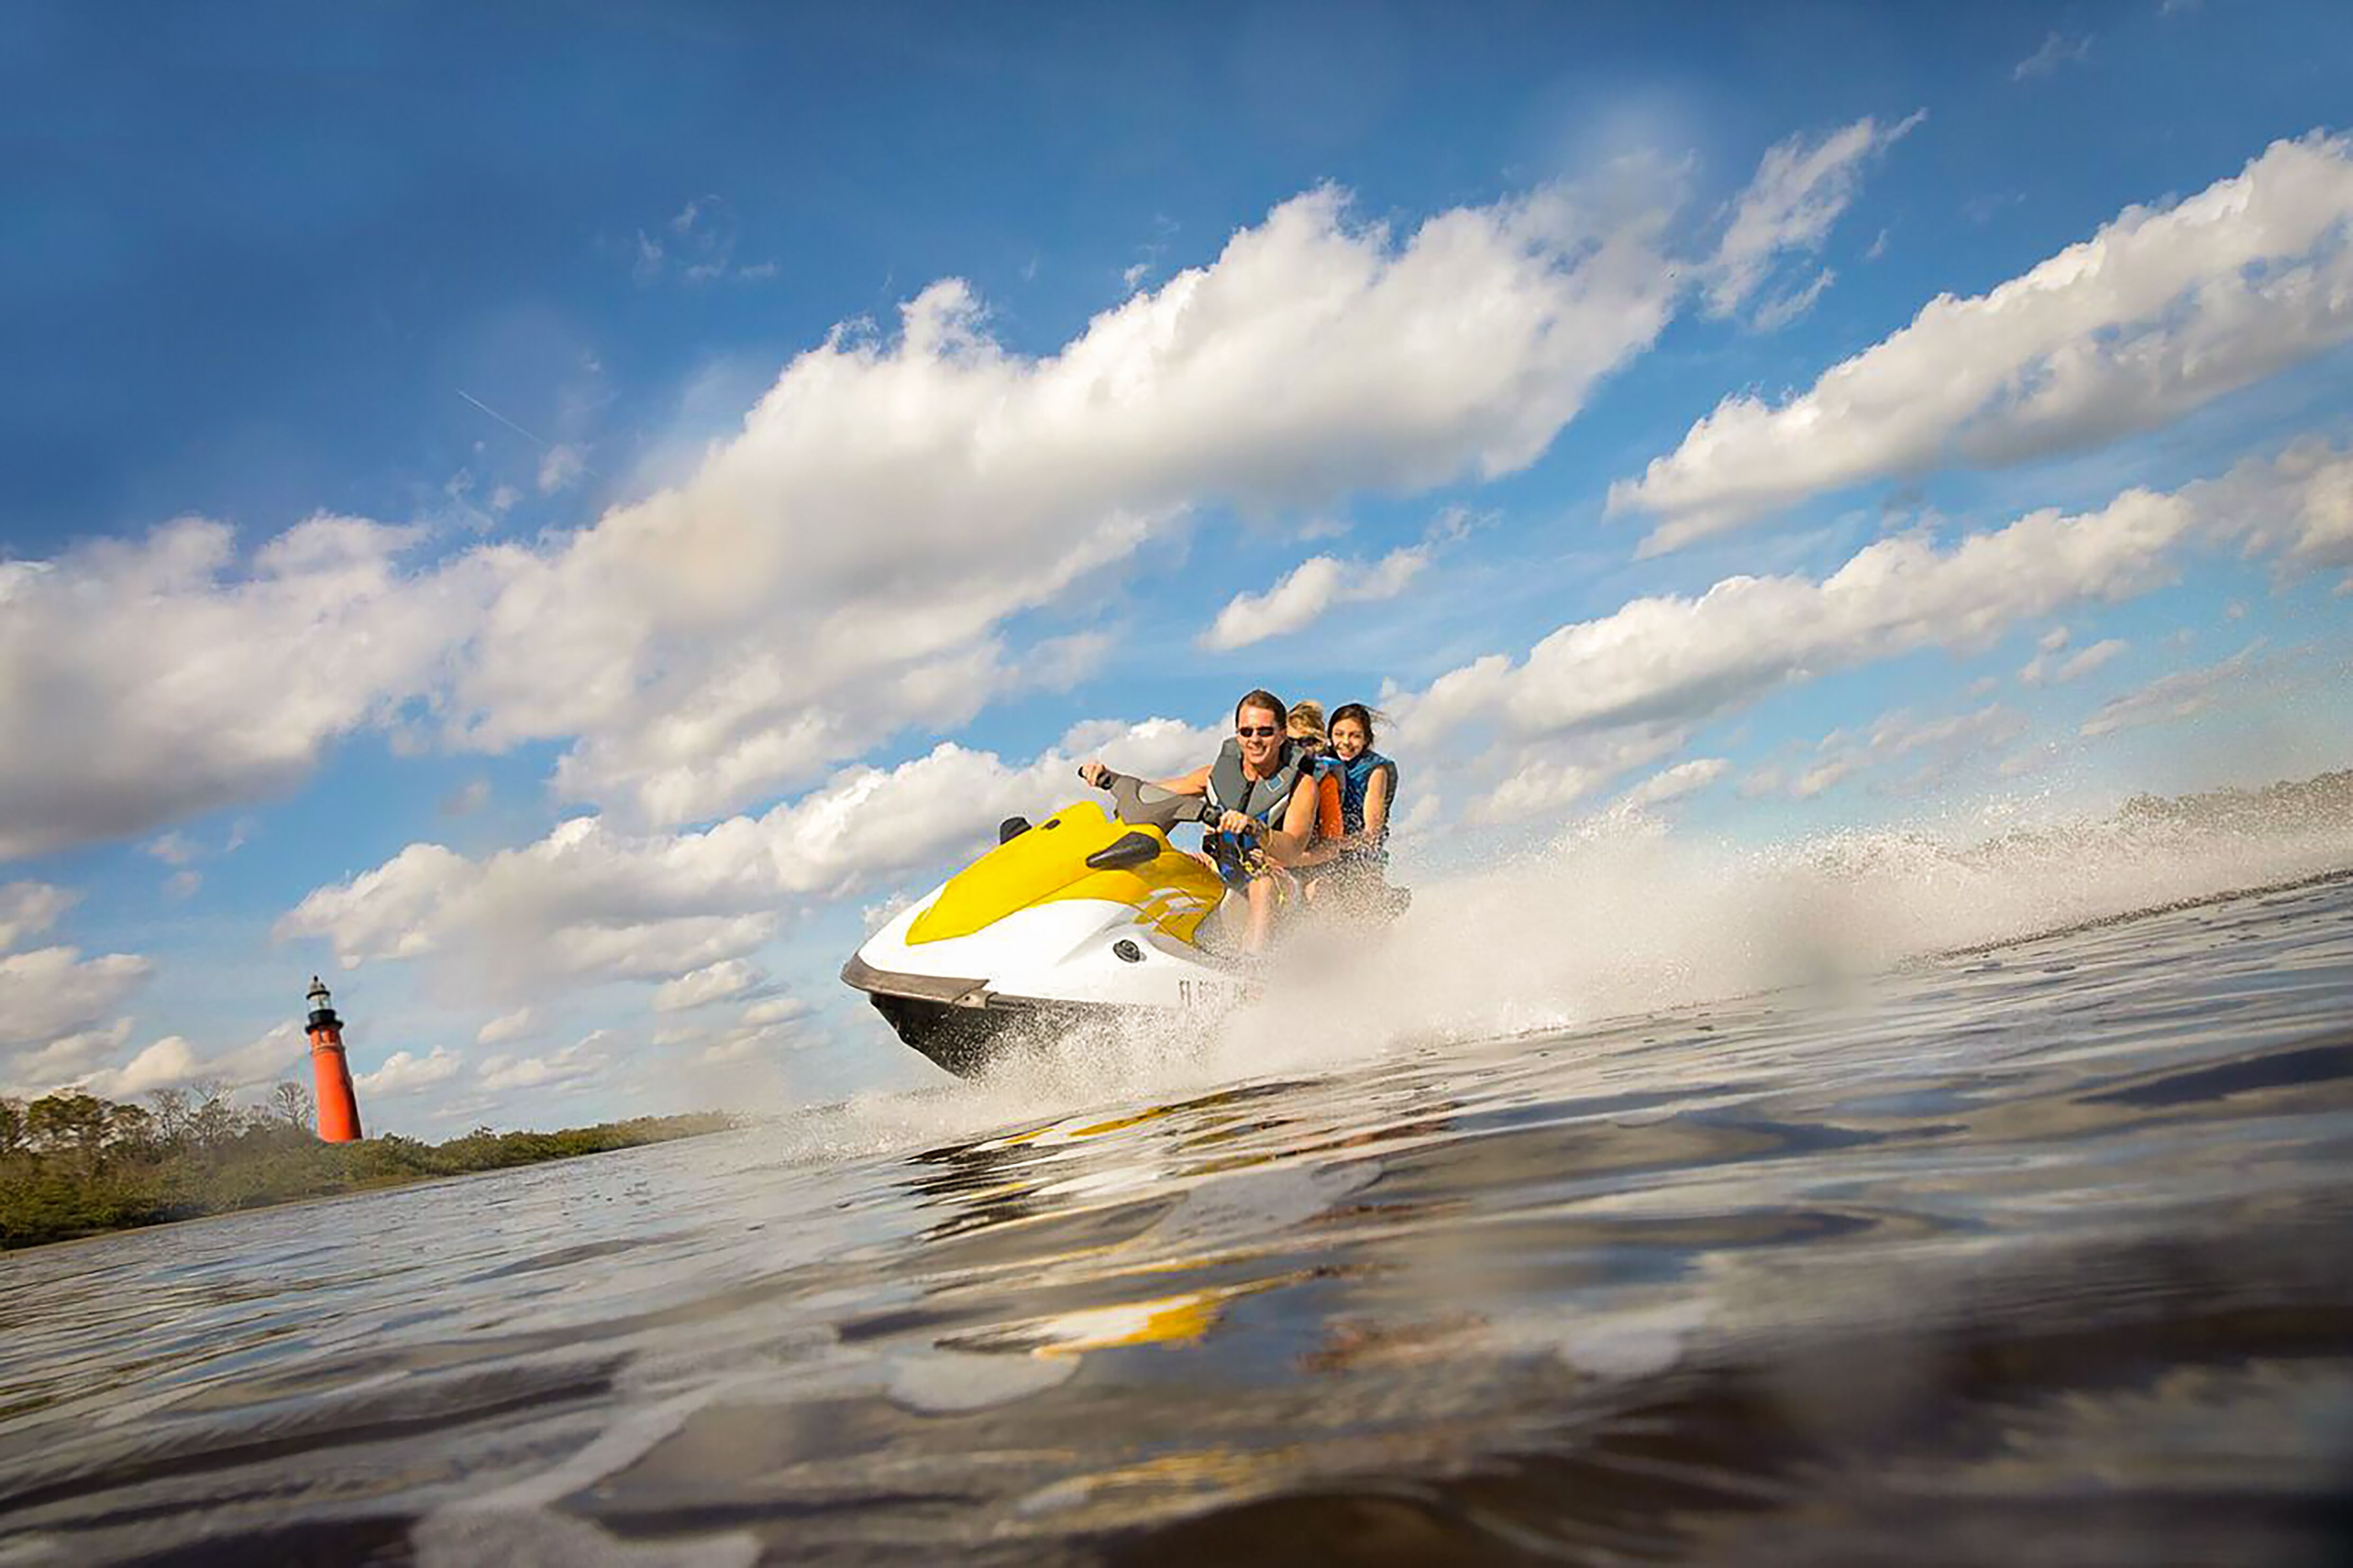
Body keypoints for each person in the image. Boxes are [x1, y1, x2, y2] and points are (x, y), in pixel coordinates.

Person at [1078, 689, 1318, 954]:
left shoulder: (1302, 786)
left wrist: (1256, 828)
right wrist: (1109, 778)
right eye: (1247, 732)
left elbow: (1294, 849)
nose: (1255, 740)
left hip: (1278, 882)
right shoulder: (1213, 776)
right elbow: (1152, 794)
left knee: (1262, 885)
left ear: (1282, 734)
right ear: (1237, 735)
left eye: (1265, 732)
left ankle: (1255, 973)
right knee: (1167, 864)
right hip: (1221, 874)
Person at [1303, 702, 1398, 912]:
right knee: (1316, 889)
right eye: (1339, 734)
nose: (1345, 742)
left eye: (1355, 736)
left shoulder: (1376, 770)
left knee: (1357, 899)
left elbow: (1372, 833)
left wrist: (1337, 846)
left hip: (1359, 852)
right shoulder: (1322, 761)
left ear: (1367, 739)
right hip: (1323, 849)